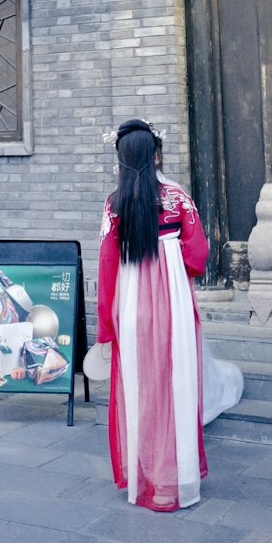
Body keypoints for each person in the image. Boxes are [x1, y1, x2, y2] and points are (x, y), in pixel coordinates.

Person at [96, 118, 210, 512]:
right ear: (156, 155)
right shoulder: (177, 197)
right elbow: (198, 254)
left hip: (129, 304)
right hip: (173, 303)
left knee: (139, 387)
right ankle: (174, 479)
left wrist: (106, 327)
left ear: (121, 159)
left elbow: (107, 265)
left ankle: (144, 477)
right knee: (174, 384)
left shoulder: (115, 204)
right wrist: (176, 266)